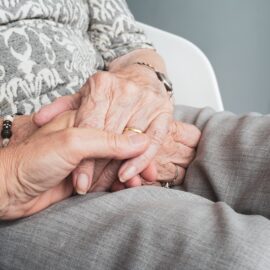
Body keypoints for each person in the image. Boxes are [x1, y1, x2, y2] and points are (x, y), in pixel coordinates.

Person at [0, 1, 269, 269]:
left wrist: (141, 86)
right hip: (18, 176)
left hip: (119, 113)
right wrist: (16, 140)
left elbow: (129, 44)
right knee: (247, 256)